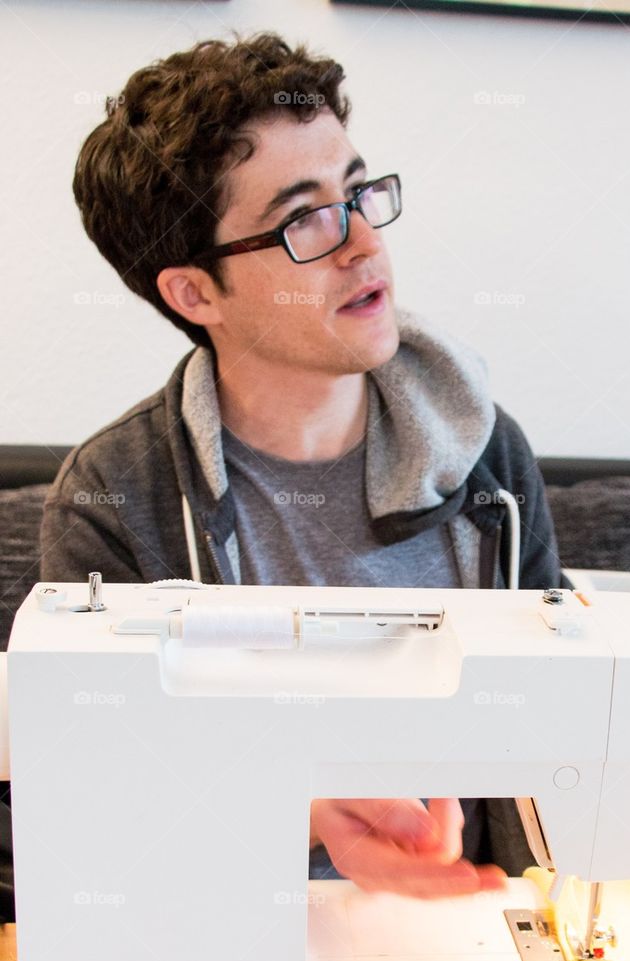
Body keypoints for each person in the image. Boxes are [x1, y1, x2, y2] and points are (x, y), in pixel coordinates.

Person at [40, 33, 561, 898]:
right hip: (222, 931)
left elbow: (548, 726)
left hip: (462, 926)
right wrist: (301, 806)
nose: (362, 245)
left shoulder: (485, 456)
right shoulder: (112, 499)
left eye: (357, 193)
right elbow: (101, 790)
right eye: (302, 220)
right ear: (194, 293)